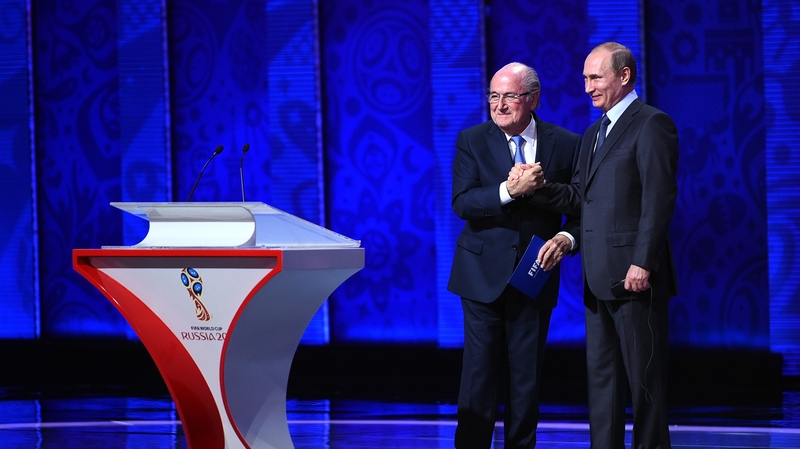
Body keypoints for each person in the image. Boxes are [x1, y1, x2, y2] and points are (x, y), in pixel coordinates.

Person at [550, 42, 679, 449]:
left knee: (645, 384)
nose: (587, 86)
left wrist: (643, 262)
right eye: (585, 78)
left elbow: (659, 199)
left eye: (595, 77)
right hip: (596, 276)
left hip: (635, 278)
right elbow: (580, 198)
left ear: (624, 76)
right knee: (602, 383)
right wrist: (536, 190)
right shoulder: (592, 133)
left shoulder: (651, 124)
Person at [448, 62, 580, 449]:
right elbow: (463, 202)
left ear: (533, 99)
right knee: (479, 376)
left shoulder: (567, 143)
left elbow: (580, 205)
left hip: (534, 273)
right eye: (493, 95)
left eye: (509, 96)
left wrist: (566, 237)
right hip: (480, 273)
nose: (499, 104)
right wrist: (509, 190)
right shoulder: (471, 140)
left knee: (526, 379)